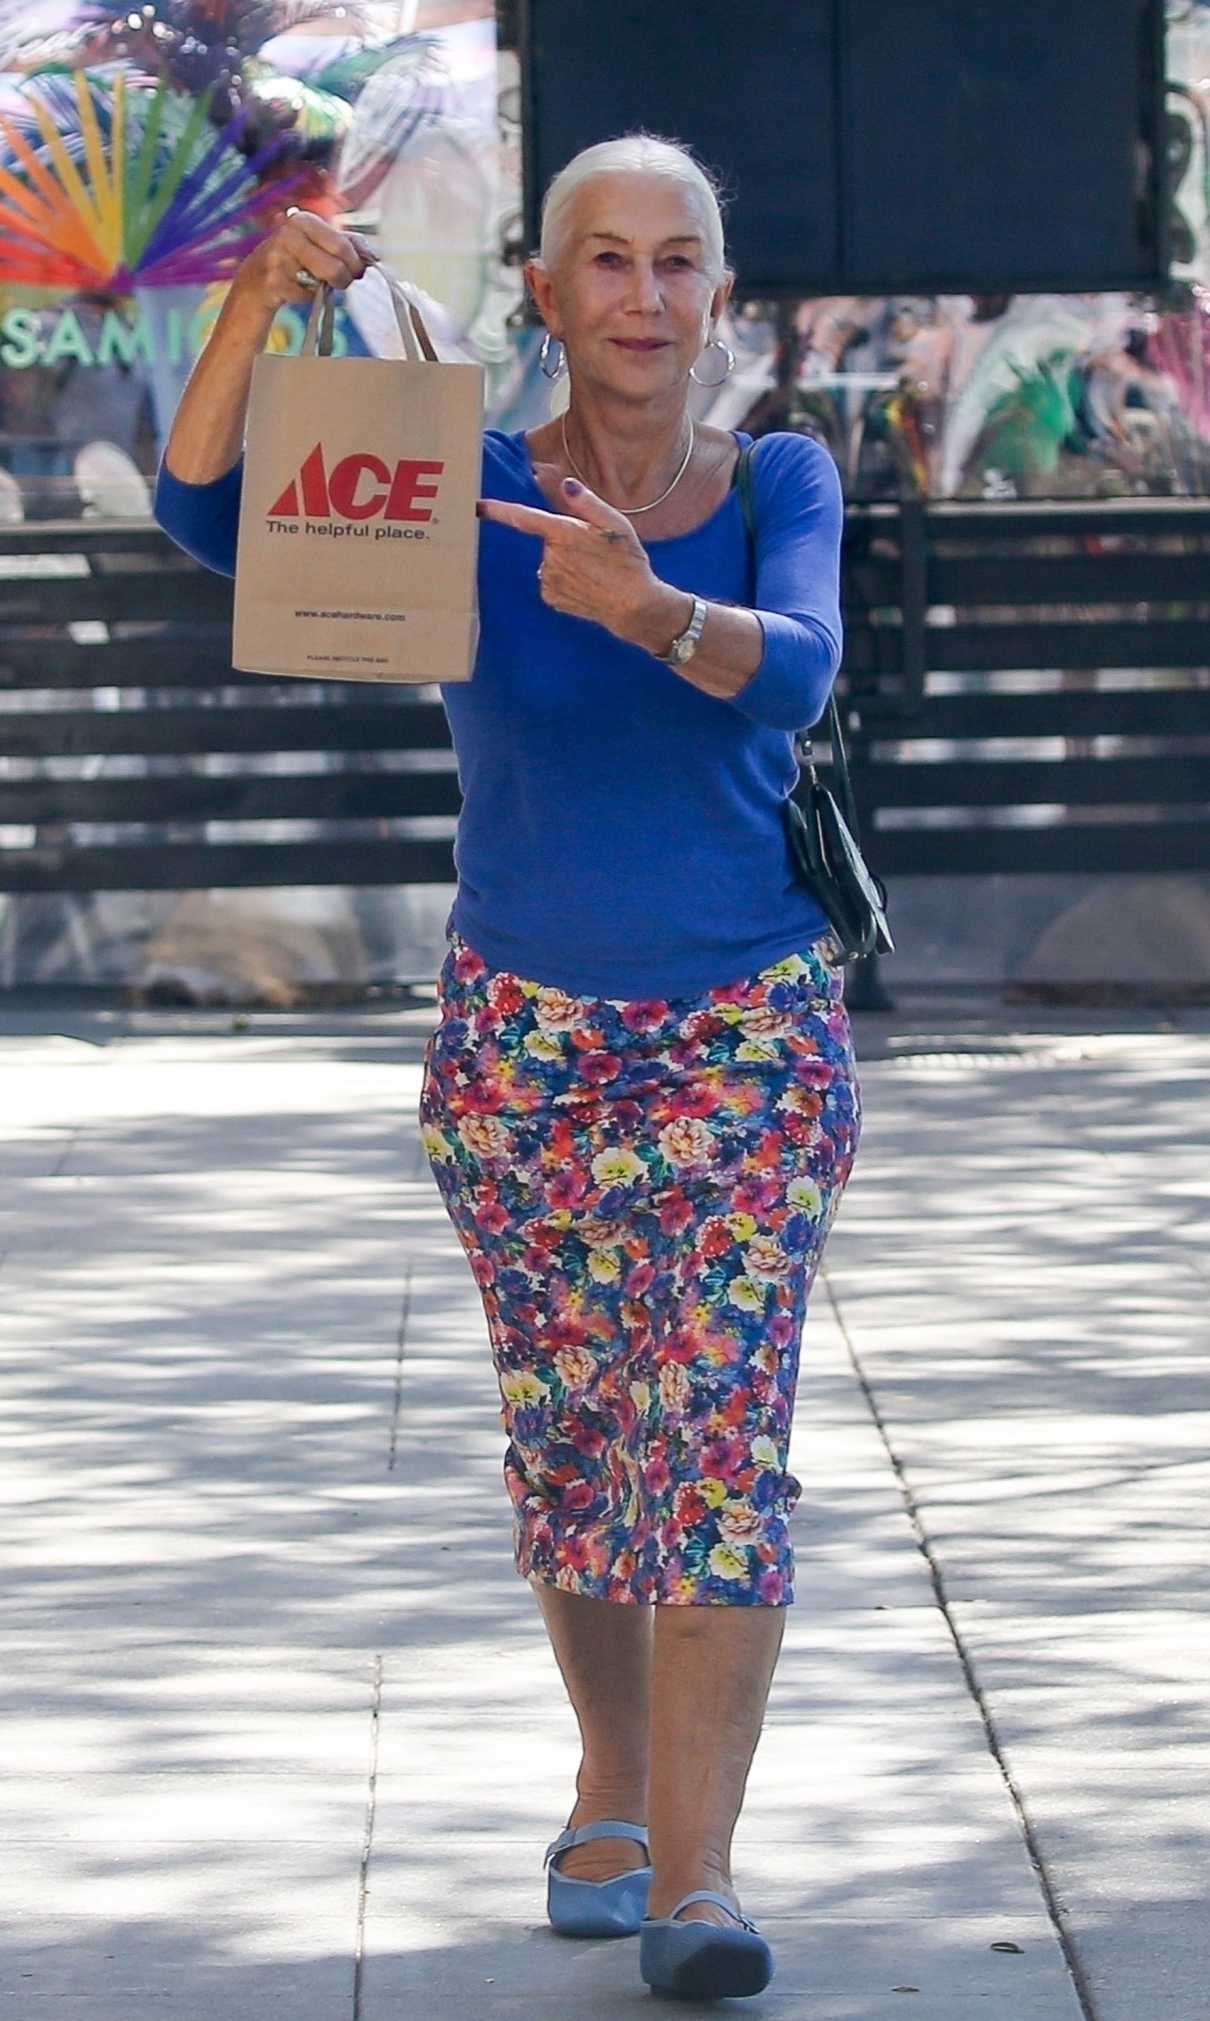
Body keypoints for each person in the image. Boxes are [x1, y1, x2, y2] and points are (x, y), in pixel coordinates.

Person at [154, 130, 863, 2004]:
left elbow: (797, 667)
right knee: (573, 1439)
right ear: (542, 296)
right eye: (605, 262)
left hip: (743, 1040)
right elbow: (207, 518)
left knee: (713, 1446)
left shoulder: (777, 471)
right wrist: (252, 299)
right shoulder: (458, 481)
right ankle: (612, 1784)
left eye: (679, 262)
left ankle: (701, 1880)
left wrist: (649, 606)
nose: (644, 297)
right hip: (522, 1043)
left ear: (720, 291)